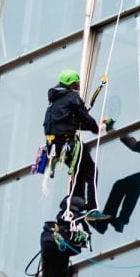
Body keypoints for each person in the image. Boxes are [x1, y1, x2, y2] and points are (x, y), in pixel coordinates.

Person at [42, 70, 107, 218]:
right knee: (91, 171)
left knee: (79, 172)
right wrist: (96, 128)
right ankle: (92, 207)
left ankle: (75, 203)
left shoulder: (54, 102)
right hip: (69, 144)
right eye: (77, 82)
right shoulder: (72, 97)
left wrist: (94, 126)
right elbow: (84, 117)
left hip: (56, 148)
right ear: (72, 83)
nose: (78, 85)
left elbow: (71, 122)